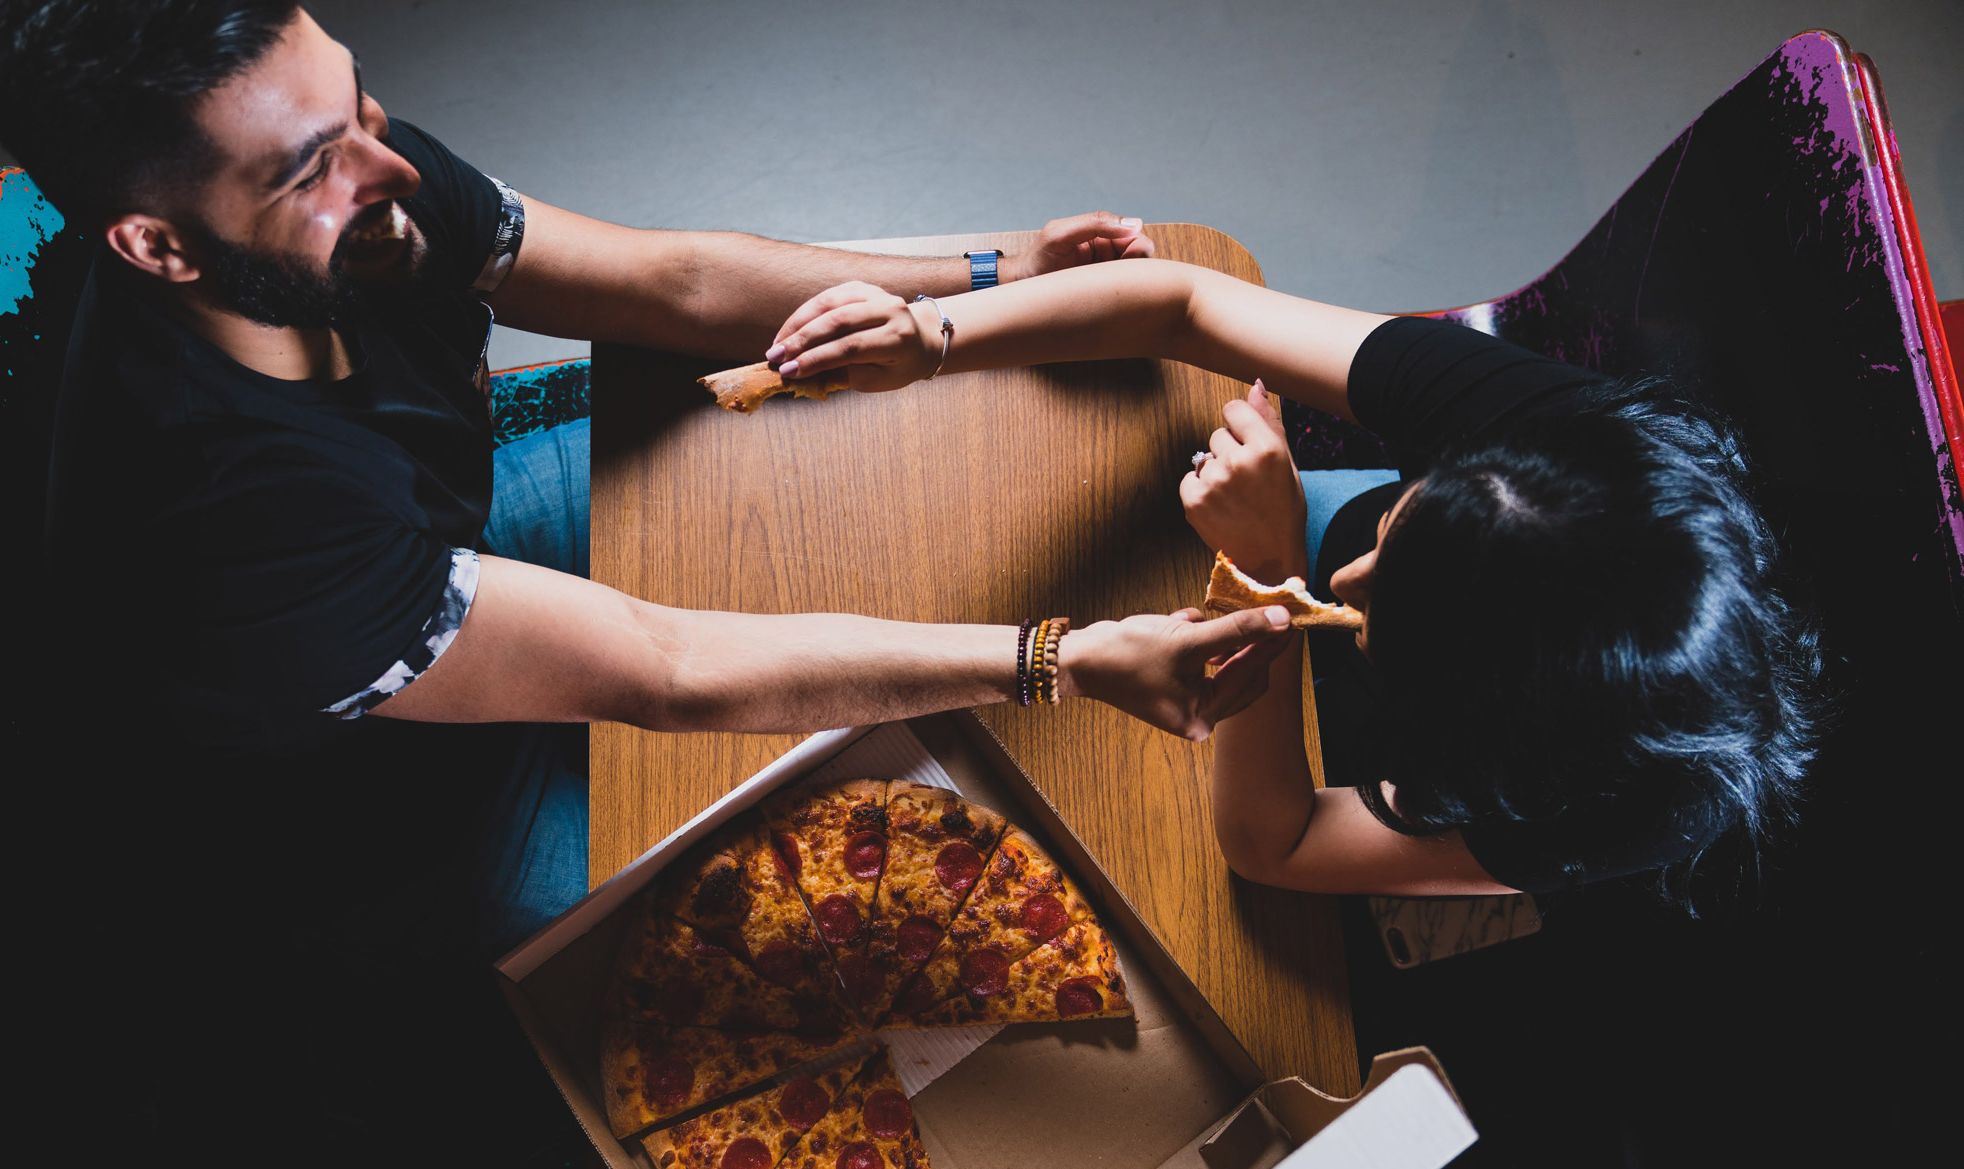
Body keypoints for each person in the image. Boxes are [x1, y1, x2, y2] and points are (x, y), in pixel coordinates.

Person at [0, 0, 1297, 963]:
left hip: (446, 557)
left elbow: (671, 283)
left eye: (357, 101)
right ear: (159, 246)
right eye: (316, 167)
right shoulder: (237, 525)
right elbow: (662, 668)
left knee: (867, 509)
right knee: (872, 944)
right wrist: (1059, 657)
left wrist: (1003, 271)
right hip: (381, 809)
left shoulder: (351, 188)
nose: (392, 164)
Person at [760, 261, 1824, 897]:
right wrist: (935, 334)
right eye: (1401, 527)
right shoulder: (1555, 454)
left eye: (1370, 608)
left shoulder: (1625, 802)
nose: (1348, 573)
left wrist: (1264, 581)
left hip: (1334, 733)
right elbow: (1184, 301)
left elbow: (1274, 843)